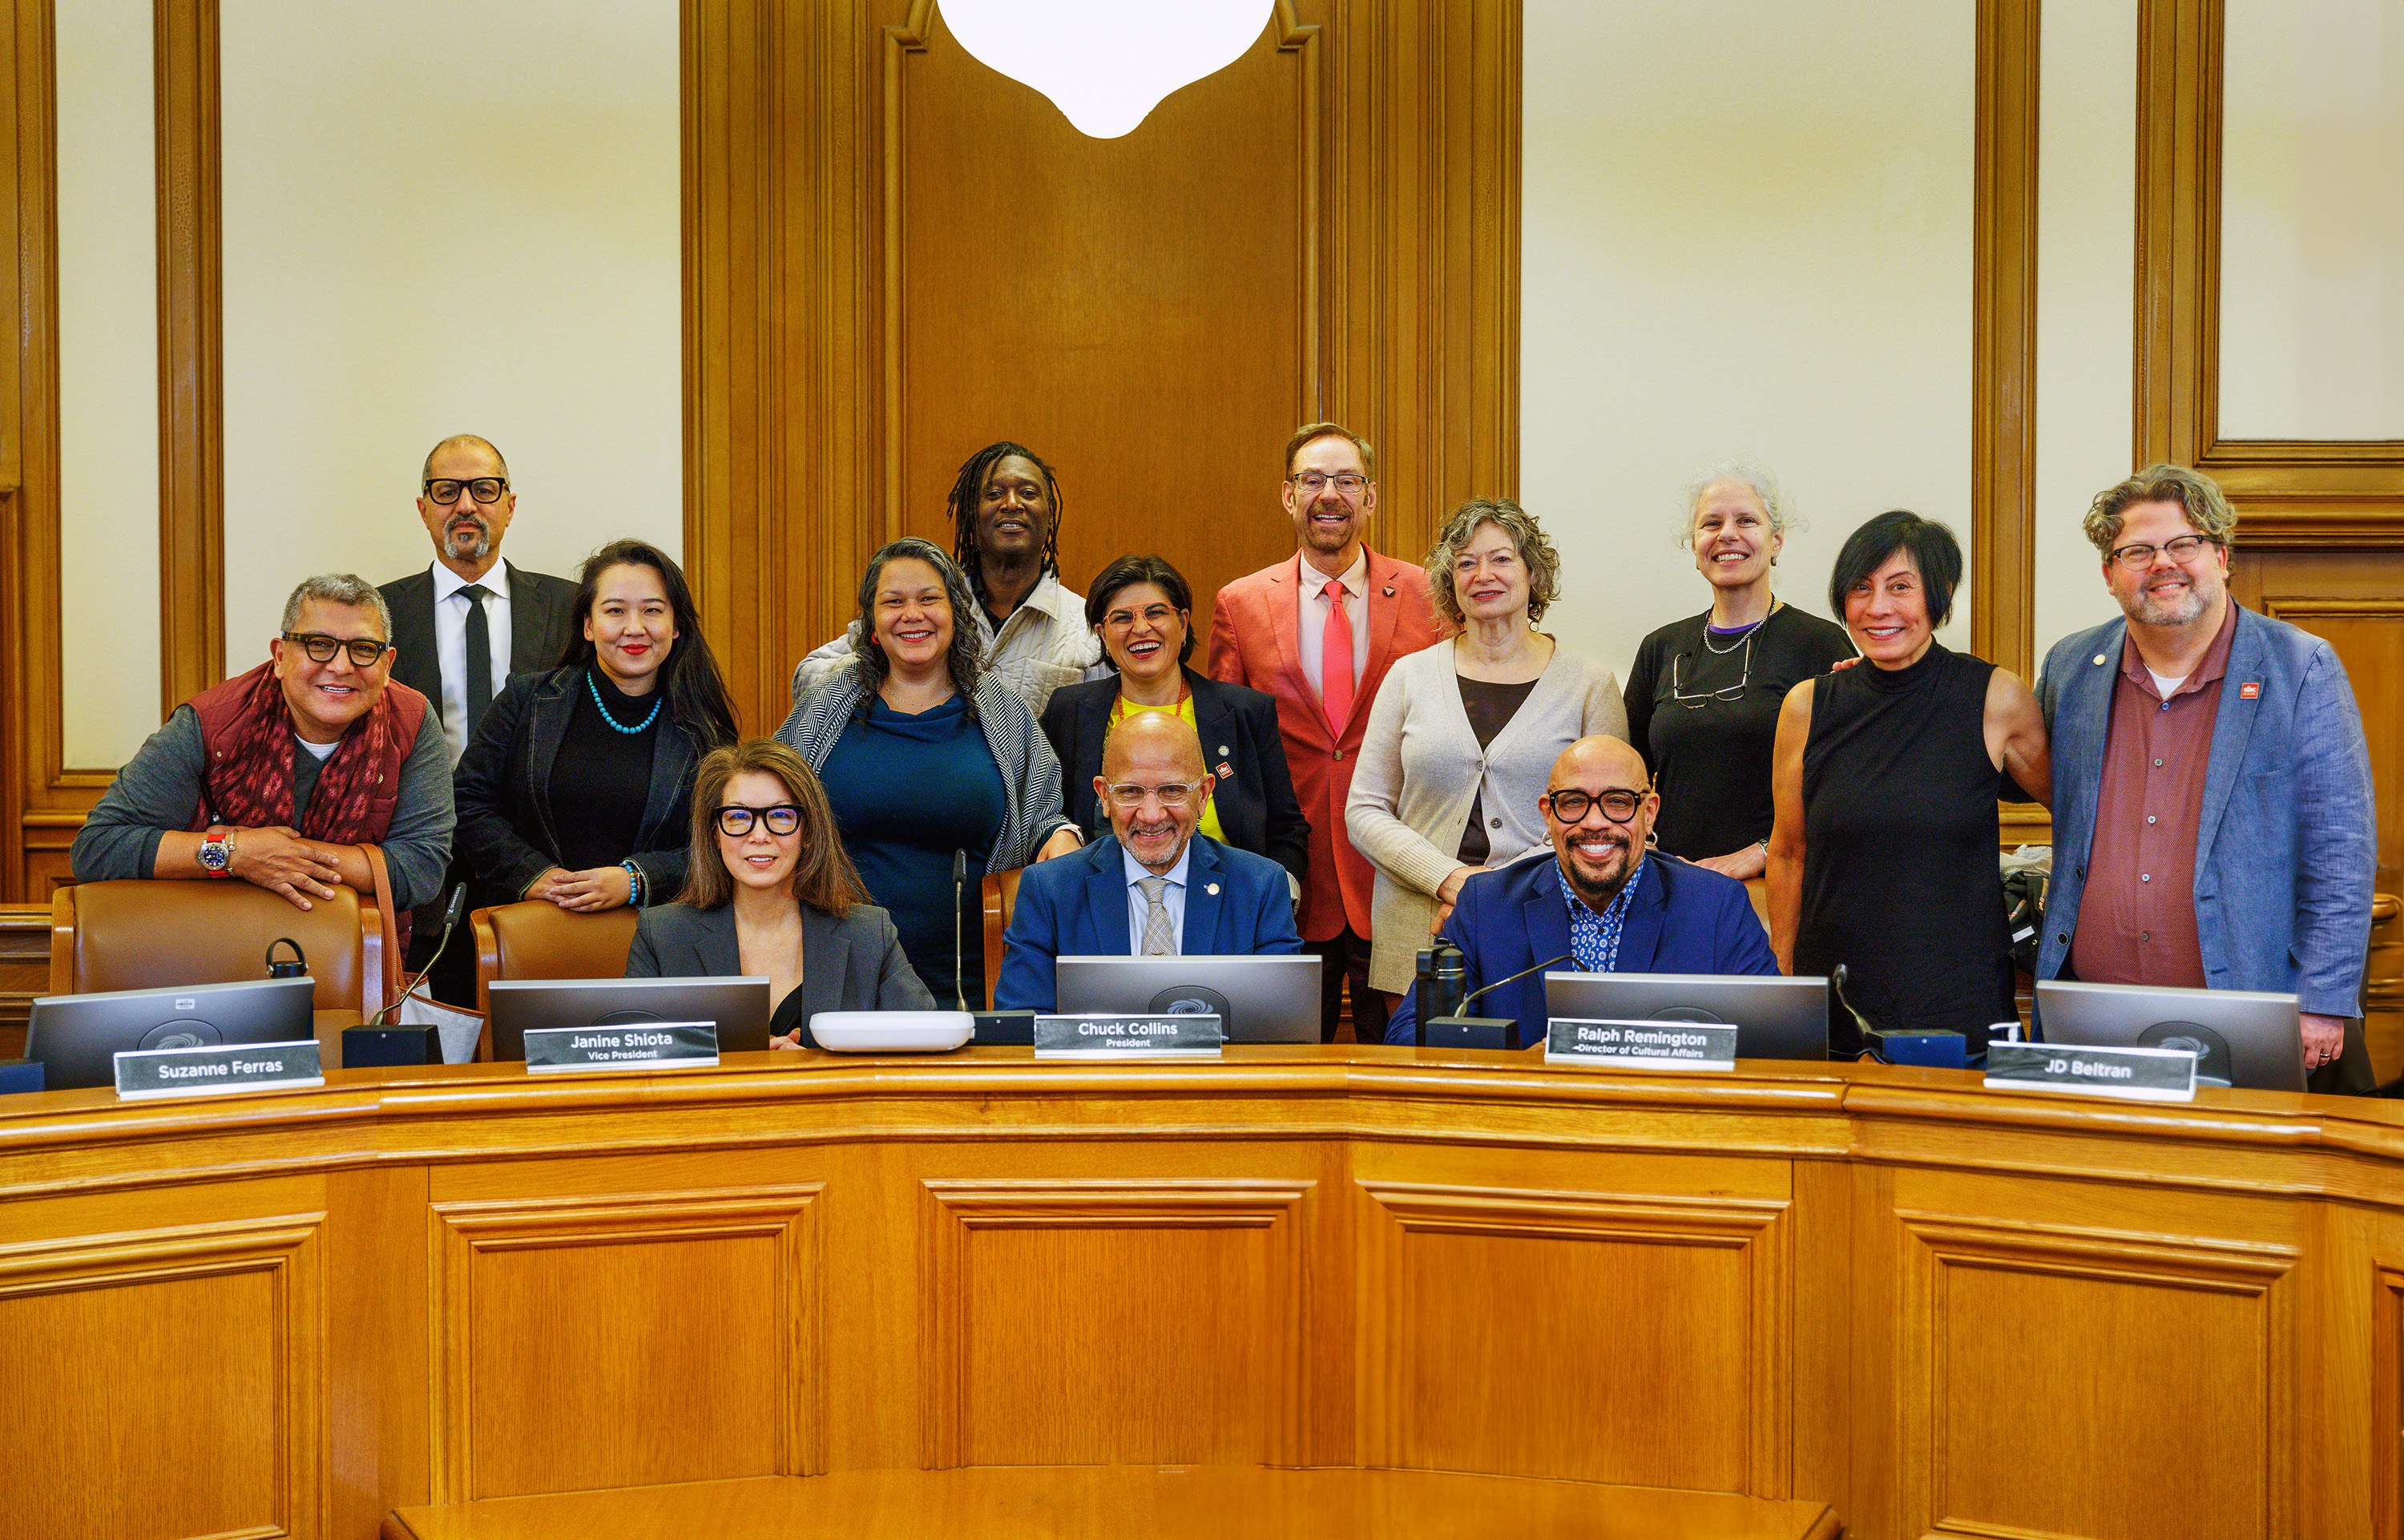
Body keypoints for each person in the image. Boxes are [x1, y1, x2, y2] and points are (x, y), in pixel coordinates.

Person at [2034, 465, 2376, 1091]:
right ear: (2110, 575)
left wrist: (2324, 1000)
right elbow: (2005, 763)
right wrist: (1873, 688)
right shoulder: (2071, 666)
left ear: (2221, 557)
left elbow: (2340, 850)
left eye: (2183, 545)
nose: (2163, 564)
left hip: (2245, 1007)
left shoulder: (2300, 666)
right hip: (2092, 1011)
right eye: (2137, 551)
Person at [1768, 511, 2050, 1055]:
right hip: (1837, 990)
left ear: (1940, 596)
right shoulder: (1807, 706)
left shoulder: (1995, 699)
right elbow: (1788, 853)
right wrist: (1787, 978)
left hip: (1958, 998)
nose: (1878, 608)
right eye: (1861, 588)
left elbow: (2080, 812)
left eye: (1901, 588)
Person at [1207, 422, 1442, 1042]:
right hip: (1289, 871)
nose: (1329, 494)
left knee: (1403, 1059)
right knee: (1280, 1059)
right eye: (1313, 480)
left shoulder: (1428, 594)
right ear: (1289, 496)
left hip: (1398, 871)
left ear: (1371, 497)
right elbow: (1222, 740)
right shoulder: (1241, 602)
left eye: (1347, 480)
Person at [1347, 498, 1625, 1018]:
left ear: (1532, 573)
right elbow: (1364, 810)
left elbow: (1604, 819)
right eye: (1466, 562)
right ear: (1449, 582)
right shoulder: (1407, 677)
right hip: (1417, 925)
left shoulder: (1590, 685)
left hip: (1546, 921)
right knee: (1419, 1082)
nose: (1483, 574)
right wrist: (1453, 881)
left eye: (1501, 558)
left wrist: (1497, 888)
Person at [776, 537, 1083, 1007]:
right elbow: (774, 806)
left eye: (929, 599)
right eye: (893, 602)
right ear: (872, 623)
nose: (911, 615)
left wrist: (1061, 836)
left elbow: (1042, 810)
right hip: (837, 970)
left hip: (970, 975)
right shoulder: (825, 706)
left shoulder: (1001, 710)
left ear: (956, 614)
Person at [71, 574, 454, 930]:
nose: (341, 666)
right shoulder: (211, 723)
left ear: (386, 666)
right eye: (319, 645)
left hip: (358, 954)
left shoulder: (411, 722)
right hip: (215, 946)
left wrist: (274, 854)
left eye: (363, 649)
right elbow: (99, 848)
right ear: (281, 657)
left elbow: (421, 870)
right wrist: (235, 855)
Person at [1385, 736, 1777, 1044]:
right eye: (1573, 803)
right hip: (1529, 1129)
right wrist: (1524, 1061)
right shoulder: (1485, 904)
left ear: (1650, 811)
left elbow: (1773, 1040)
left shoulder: (1714, 905)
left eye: (1618, 802)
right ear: (1547, 813)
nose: (1594, 822)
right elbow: (1409, 1037)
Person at [453, 538, 740, 921]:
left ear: (676, 627)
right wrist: (532, 875)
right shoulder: (528, 699)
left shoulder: (705, 726)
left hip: (655, 940)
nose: (634, 628)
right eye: (615, 611)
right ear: (589, 625)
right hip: (529, 931)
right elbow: (468, 801)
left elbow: (724, 838)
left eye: (652, 611)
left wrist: (635, 881)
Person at [1622, 463, 1855, 876]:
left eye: (1746, 520)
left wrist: (1754, 856)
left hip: (1778, 884)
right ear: (1694, 546)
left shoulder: (1819, 643)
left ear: (1776, 541)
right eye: (1711, 523)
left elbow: (1845, 786)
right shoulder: (1660, 647)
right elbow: (1628, 774)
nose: (1727, 533)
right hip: (1670, 882)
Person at [627, 740, 933, 1048]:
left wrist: (810, 1068)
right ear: (714, 834)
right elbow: (629, 1055)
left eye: (781, 816)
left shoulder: (869, 934)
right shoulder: (663, 934)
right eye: (737, 817)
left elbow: (927, 1049)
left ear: (809, 833)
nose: (759, 836)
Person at [996, 712, 1304, 1011]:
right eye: (1130, 792)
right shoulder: (1050, 889)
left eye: (1172, 791)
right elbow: (1024, 1024)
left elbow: (1280, 1024)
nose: (1152, 815)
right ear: (1104, 796)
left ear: (1203, 795)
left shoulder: (1260, 887)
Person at [1041, 554, 1308, 892]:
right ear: (1102, 635)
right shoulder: (1071, 712)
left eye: (1155, 613)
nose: (1140, 629)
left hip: (1229, 908)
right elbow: (1045, 812)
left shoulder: (1245, 712)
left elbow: (1286, 830)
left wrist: (1274, 896)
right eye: (1122, 618)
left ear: (1182, 624)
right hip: (1105, 910)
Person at [789, 441, 1099, 714]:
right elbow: (807, 676)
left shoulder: (1085, 627)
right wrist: (897, 665)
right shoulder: (925, 607)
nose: (1012, 504)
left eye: (1028, 493)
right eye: (994, 493)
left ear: (1050, 511)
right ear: (970, 512)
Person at [379, 434, 578, 768]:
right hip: (421, 814)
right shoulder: (379, 612)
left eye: (484, 490)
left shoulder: (569, 606)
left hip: (532, 815)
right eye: (447, 492)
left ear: (510, 507)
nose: (466, 506)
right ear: (424, 510)